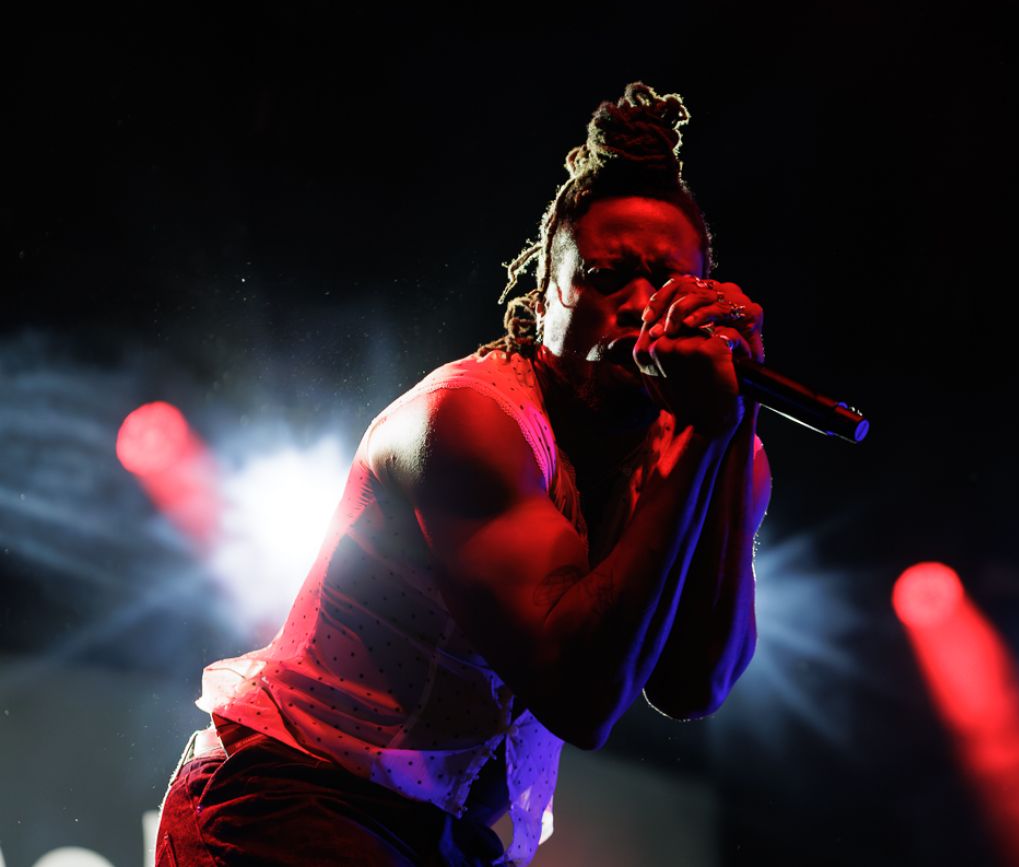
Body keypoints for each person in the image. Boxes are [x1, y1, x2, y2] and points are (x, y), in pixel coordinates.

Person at [154, 82, 771, 866]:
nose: (640, 303)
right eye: (605, 277)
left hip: (434, 841)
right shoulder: (471, 420)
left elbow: (693, 686)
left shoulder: (709, 448)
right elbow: (580, 696)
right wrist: (699, 437)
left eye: (667, 280)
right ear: (545, 299)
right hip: (289, 798)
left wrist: (730, 427)